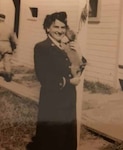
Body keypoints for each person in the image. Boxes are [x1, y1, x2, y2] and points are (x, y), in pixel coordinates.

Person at [26, 11, 82, 150]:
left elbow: (76, 70)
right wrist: (69, 82)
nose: (60, 31)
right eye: (56, 27)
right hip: (53, 101)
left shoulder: (65, 47)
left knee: (67, 139)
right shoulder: (42, 47)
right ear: (47, 28)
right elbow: (44, 78)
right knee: (53, 139)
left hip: (68, 99)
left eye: (63, 27)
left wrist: (78, 53)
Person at [0, 13, 17, 82]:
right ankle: (8, 75)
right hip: (6, 45)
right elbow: (13, 39)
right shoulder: (9, 27)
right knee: (7, 62)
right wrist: (14, 46)